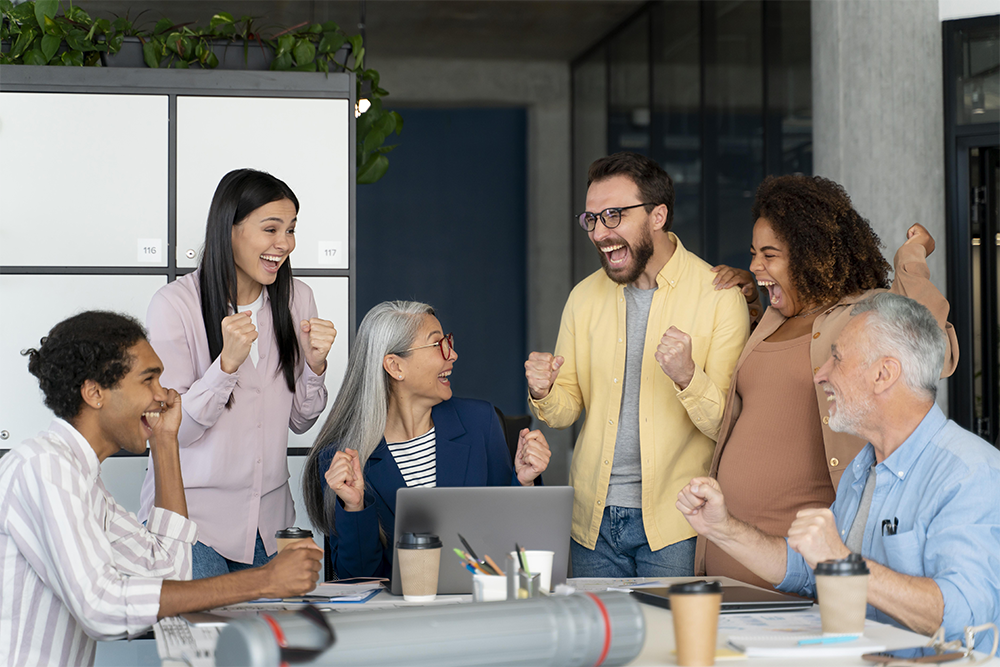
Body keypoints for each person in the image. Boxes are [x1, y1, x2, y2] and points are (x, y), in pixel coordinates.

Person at [678, 293, 1000, 650]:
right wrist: (722, 529)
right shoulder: (863, 467)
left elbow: (966, 614)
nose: (821, 374)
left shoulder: (970, 473)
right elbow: (809, 570)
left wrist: (844, 562)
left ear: (883, 374)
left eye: (837, 358)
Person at [0, 311, 322, 667]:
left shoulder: (83, 482)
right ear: (94, 393)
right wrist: (263, 581)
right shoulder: (44, 467)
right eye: (148, 380)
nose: (164, 395)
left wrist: (166, 442)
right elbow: (101, 607)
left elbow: (169, 570)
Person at [701, 175, 958, 588]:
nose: (754, 264)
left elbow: (932, 348)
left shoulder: (857, 317)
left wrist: (911, 258)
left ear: (809, 255)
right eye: (753, 254)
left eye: (770, 254)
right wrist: (751, 297)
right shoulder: (771, 318)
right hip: (724, 554)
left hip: (795, 566)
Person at [524, 152, 750, 577]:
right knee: (600, 644)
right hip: (593, 523)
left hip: (675, 524)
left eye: (613, 216)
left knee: (671, 643)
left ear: (658, 215)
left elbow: (726, 428)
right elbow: (564, 412)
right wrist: (544, 390)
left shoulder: (719, 298)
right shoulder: (583, 297)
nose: (600, 233)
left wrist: (687, 376)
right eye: (591, 219)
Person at [137, 169, 336, 578]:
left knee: (284, 638)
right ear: (229, 228)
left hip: (270, 526)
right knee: (204, 639)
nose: (284, 244)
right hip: (192, 524)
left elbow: (300, 421)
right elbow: (172, 431)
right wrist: (225, 366)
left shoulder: (299, 299)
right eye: (270, 229)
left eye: (291, 229)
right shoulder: (175, 305)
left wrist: (315, 367)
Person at [303, 301, 550, 579]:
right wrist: (354, 506)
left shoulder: (482, 422)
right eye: (437, 345)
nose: (453, 354)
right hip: (396, 620)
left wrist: (525, 482)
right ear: (395, 366)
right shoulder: (343, 460)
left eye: (448, 342)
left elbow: (515, 546)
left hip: (477, 609)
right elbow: (356, 579)